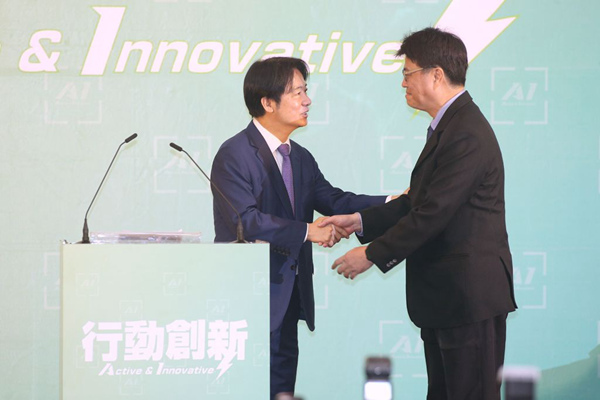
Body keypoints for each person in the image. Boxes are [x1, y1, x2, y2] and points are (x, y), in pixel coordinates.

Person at [322, 28, 517, 399]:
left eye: (407, 73)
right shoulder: (449, 127)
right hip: (448, 299)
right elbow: (417, 202)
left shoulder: (465, 133)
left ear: (436, 75)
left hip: (468, 299)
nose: (403, 83)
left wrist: (371, 253)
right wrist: (360, 221)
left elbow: (433, 213)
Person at [210, 57, 387, 399]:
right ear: (267, 102)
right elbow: (244, 221)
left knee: (282, 388)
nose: (307, 101)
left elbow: (336, 201)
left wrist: (396, 201)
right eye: (298, 93)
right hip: (250, 297)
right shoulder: (235, 153)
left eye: (306, 91)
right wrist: (308, 231)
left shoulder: (299, 157)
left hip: (289, 296)